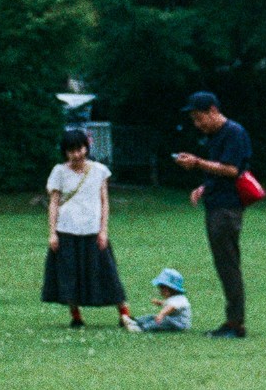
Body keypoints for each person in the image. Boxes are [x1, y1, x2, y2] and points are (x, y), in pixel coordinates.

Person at [172, 91, 252, 338]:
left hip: (228, 209)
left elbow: (231, 169)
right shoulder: (216, 136)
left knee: (228, 265)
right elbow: (218, 172)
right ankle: (231, 321)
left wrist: (197, 162)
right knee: (223, 264)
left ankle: (235, 324)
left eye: (199, 118)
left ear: (213, 111)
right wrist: (204, 187)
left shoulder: (234, 133)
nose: (197, 125)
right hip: (216, 204)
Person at [42, 127, 137, 329]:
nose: (76, 155)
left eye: (80, 149)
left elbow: (104, 202)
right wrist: (52, 233)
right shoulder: (59, 172)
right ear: (65, 152)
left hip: (93, 231)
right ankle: (76, 316)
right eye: (71, 151)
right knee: (69, 275)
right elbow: (54, 203)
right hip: (66, 230)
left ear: (86, 148)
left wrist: (103, 230)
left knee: (108, 273)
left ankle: (124, 314)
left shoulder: (99, 170)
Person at [131, 267, 192, 332]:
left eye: (162, 289)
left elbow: (171, 307)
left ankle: (141, 328)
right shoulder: (173, 298)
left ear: (169, 289)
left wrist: (161, 314)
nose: (160, 292)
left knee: (160, 322)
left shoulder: (180, 299)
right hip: (172, 320)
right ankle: (135, 321)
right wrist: (159, 302)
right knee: (153, 317)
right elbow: (167, 303)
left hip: (180, 324)